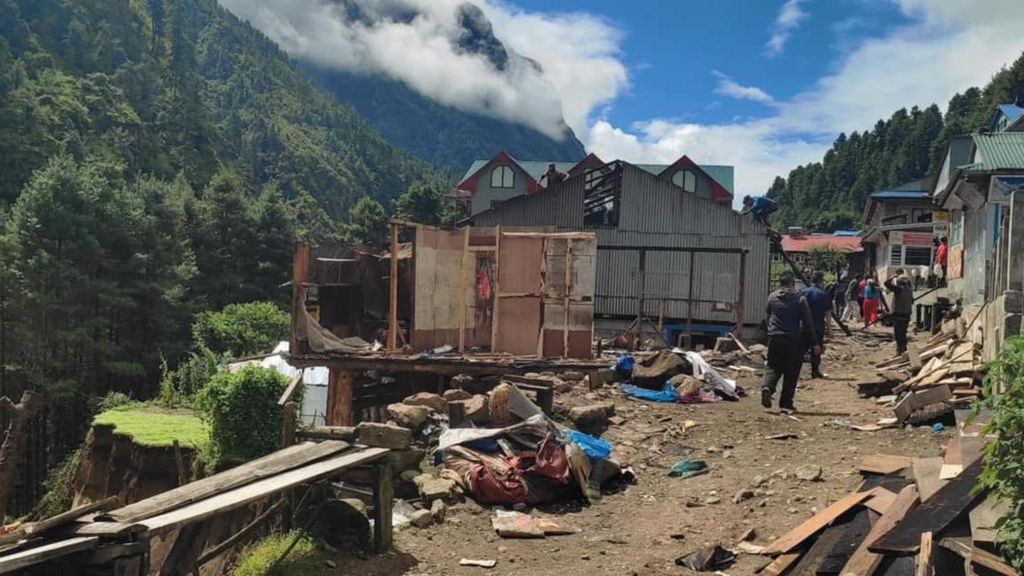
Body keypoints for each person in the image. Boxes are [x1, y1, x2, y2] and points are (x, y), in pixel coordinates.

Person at [761, 271, 818, 415]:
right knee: (791, 371)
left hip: (775, 337)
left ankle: (768, 386)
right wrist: (814, 343)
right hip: (793, 339)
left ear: (780, 283)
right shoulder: (800, 299)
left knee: (773, 366)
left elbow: (768, 316)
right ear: (792, 283)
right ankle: (786, 403)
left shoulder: (772, 297)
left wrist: (770, 332)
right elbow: (808, 323)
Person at [801, 271, 832, 378]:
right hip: (818, 326)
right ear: (820, 281)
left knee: (801, 349)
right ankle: (815, 371)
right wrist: (829, 329)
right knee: (817, 348)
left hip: (803, 326)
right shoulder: (823, 295)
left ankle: (794, 371)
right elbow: (827, 314)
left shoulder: (802, 292)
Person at [885, 269, 914, 355]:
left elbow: (886, 284)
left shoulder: (898, 289)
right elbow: (912, 301)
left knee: (898, 334)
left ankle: (900, 351)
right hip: (907, 315)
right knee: (903, 334)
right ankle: (903, 350)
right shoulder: (909, 290)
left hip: (899, 315)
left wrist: (892, 277)